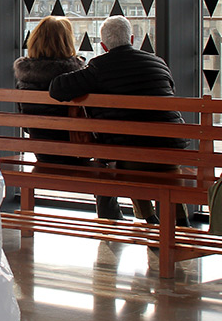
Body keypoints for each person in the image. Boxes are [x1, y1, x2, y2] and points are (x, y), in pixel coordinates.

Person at [48, 16, 191, 225]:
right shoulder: (158, 63)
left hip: (131, 157)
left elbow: (57, 89)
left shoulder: (99, 68)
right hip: (172, 150)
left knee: (125, 153)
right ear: (132, 38)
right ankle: (179, 222)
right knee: (140, 153)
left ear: (104, 45)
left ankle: (150, 219)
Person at [12, 16, 88, 166]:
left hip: (42, 153)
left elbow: (26, 127)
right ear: (66, 42)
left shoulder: (25, 76)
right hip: (77, 153)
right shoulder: (77, 75)